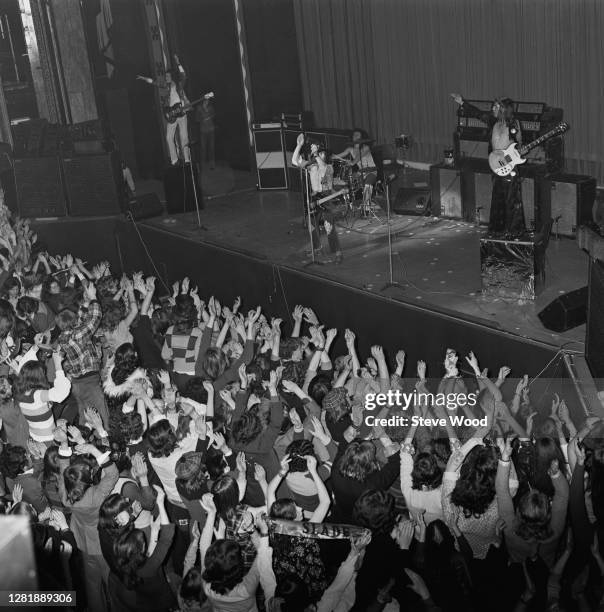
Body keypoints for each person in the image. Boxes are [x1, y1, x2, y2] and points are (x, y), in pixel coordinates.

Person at [451, 93, 526, 237]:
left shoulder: (514, 125)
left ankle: (514, 232)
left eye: (496, 106)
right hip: (496, 167)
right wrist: (462, 103)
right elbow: (478, 114)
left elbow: (520, 145)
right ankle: (497, 230)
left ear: (504, 109)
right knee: (498, 200)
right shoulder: (493, 122)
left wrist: (520, 151)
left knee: (512, 202)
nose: (493, 108)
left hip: (510, 169)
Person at [292, 133, 343, 264]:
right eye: (317, 154)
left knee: (328, 226)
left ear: (324, 155)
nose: (318, 156)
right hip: (314, 197)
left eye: (321, 154)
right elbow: (294, 161)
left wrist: (315, 152)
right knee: (312, 225)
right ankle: (317, 248)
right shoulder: (311, 166)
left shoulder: (329, 167)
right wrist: (299, 146)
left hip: (326, 197)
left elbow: (323, 167)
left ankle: (338, 253)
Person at [137, 54, 191, 167]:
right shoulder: (165, 86)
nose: (166, 78)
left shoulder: (179, 84)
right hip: (172, 115)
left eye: (167, 76)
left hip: (182, 113)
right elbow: (154, 82)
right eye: (165, 76)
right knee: (168, 137)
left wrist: (178, 62)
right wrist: (144, 79)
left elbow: (183, 75)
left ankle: (187, 160)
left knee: (184, 137)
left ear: (171, 76)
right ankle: (174, 160)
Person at [196, 95, 216, 169]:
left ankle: (212, 164)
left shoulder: (211, 107)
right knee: (203, 148)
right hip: (203, 131)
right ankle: (203, 165)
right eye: (206, 100)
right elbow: (197, 119)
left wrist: (210, 115)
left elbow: (214, 114)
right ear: (203, 100)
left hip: (211, 130)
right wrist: (202, 119)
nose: (207, 101)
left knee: (211, 147)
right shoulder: (199, 108)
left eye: (208, 100)